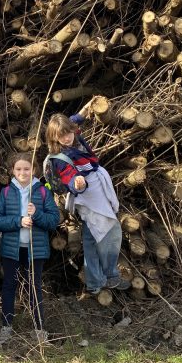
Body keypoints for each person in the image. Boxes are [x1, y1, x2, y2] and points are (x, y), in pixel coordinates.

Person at [45, 102, 130, 296]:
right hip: (88, 197)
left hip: (97, 189)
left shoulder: (72, 135)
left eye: (68, 133)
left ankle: (94, 282)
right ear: (54, 137)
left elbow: (72, 121)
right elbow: (69, 176)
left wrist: (86, 109)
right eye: (61, 136)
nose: (67, 137)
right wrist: (78, 182)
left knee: (92, 237)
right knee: (111, 230)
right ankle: (110, 275)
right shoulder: (60, 157)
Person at [0, 153, 59, 346]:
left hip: (34, 250)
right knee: (9, 287)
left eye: (27, 169)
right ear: (13, 171)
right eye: (19, 169)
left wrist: (36, 214)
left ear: (34, 170)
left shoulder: (43, 191)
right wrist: (18, 221)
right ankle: (6, 327)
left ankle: (39, 330)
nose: (23, 172)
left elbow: (54, 220)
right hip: (12, 250)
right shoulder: (6, 192)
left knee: (34, 288)